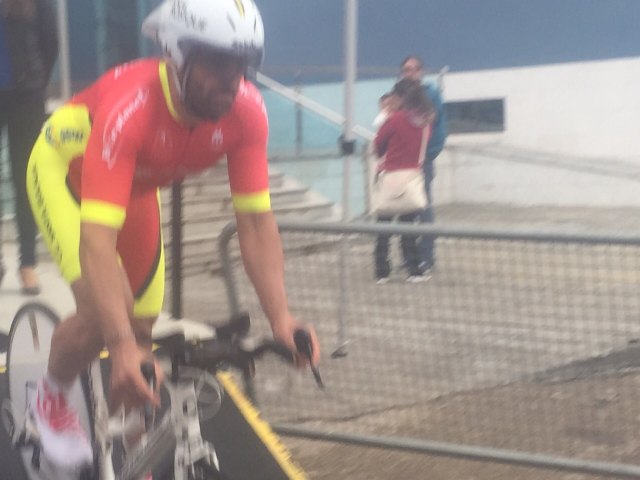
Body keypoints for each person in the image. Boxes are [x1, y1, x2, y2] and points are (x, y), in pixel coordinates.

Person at [24, 0, 320, 475]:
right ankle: (51, 397)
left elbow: (255, 223)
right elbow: (97, 242)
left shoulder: (246, 111)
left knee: (142, 325)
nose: (232, 78)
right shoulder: (131, 110)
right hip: (64, 171)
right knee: (108, 316)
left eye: (241, 63)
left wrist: (281, 317)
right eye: (218, 61)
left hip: (133, 188)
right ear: (177, 55)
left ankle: (134, 453)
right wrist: (118, 343)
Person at [0, 0, 58, 294]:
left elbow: (51, 42)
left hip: (25, 97)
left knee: (25, 179)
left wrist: (36, 81)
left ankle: (28, 264)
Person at [373, 78, 434, 284]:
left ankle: (382, 271)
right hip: (412, 179)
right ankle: (413, 269)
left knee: (383, 227)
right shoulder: (425, 122)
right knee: (409, 228)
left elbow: (378, 145)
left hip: (390, 176)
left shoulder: (394, 119)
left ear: (400, 97)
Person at [399, 55, 448, 273]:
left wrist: (429, 153)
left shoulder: (431, 94)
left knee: (423, 208)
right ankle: (409, 257)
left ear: (421, 72)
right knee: (405, 210)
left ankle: (427, 257)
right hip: (402, 162)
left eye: (414, 69)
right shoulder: (399, 94)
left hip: (422, 161)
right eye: (406, 69)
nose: (410, 73)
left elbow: (438, 126)